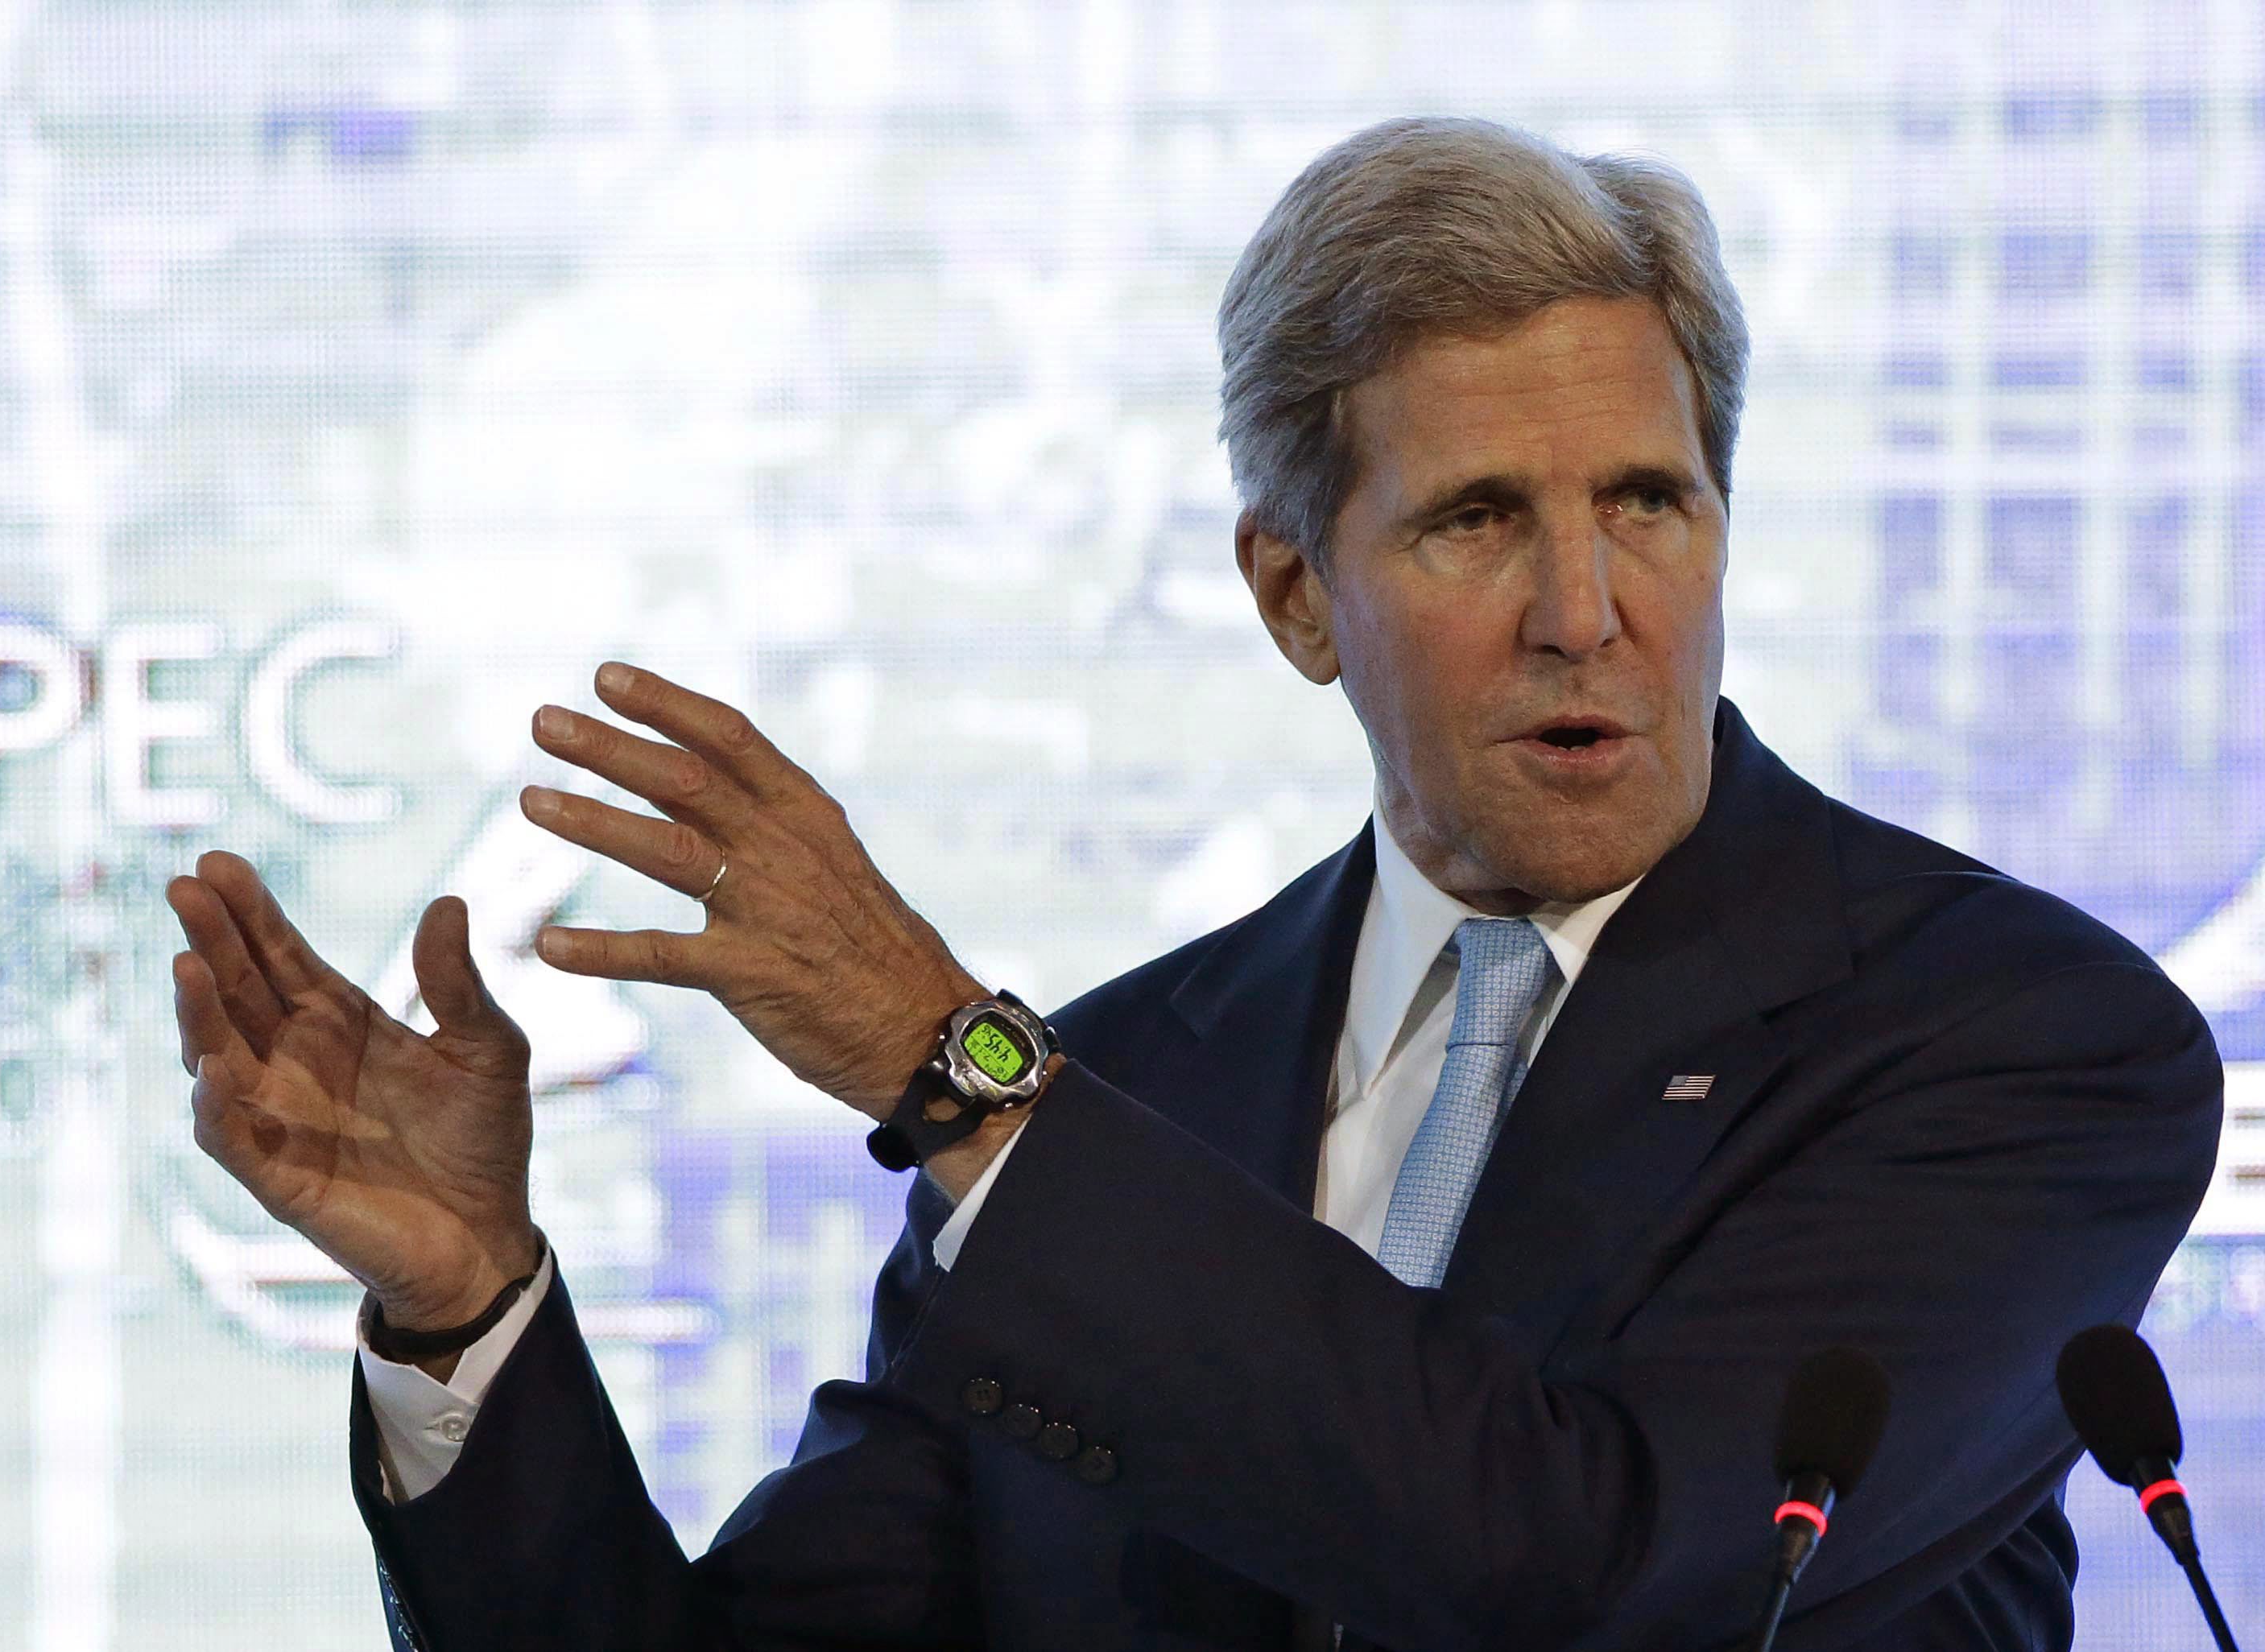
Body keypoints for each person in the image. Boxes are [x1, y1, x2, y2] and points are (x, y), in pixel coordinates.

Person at [166, 118, 2222, 1650]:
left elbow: (1586, 1565)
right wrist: (463, 1313)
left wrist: (950, 1070)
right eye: (1477, 520)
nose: (1585, 609)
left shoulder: (2013, 1044)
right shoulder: (1117, 1090)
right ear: (1291, 596)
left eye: (1648, 504)